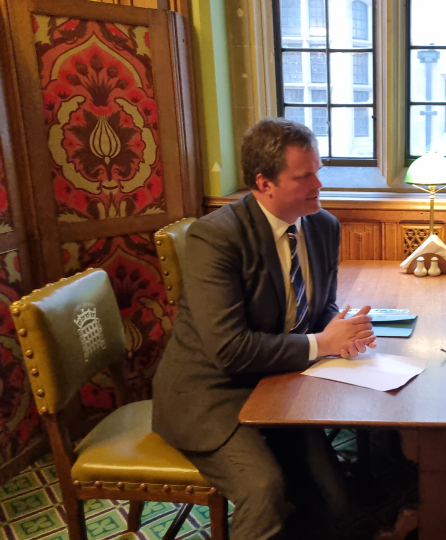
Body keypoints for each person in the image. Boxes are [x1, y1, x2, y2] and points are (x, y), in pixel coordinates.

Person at [152, 118, 375, 540]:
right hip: (211, 393)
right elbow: (230, 350)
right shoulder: (216, 237)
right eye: (304, 175)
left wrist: (340, 331)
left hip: (277, 384)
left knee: (335, 503)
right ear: (264, 183)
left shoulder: (323, 226)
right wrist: (320, 343)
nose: (318, 183)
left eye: (318, 169)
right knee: (265, 490)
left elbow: (320, 305)